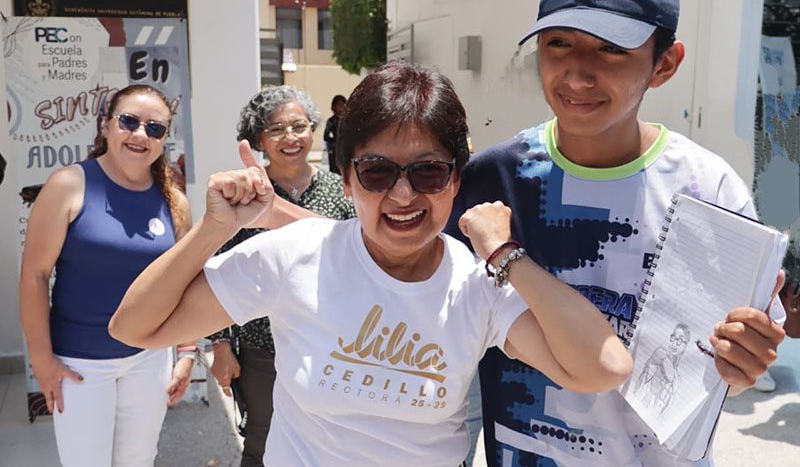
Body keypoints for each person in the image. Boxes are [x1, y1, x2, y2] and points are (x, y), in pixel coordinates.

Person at [109, 62, 633, 466]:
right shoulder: (295, 254)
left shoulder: (477, 283)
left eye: (429, 172)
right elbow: (134, 327)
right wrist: (213, 229)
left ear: (455, 181)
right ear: (346, 180)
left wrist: (505, 254)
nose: (403, 195)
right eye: (377, 172)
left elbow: (603, 367)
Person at [445, 0, 786, 466]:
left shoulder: (708, 191)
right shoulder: (493, 180)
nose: (577, 74)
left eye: (611, 48)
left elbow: (729, 372)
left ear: (665, 63)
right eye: (559, 43)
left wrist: (742, 364)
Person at [18, 84, 197, 467]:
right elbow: (35, 275)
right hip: (79, 363)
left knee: (139, 460)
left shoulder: (174, 200)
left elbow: (185, 281)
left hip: (149, 358)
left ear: (164, 139)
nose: (140, 135)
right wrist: (42, 360)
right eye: (129, 121)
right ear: (105, 125)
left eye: (154, 128)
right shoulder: (69, 184)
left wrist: (186, 351)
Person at [207, 86, 356, 466]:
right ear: (259, 138)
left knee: (329, 441)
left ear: (313, 130)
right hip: (261, 347)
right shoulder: (245, 194)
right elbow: (217, 266)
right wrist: (221, 346)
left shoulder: (341, 191)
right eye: (276, 129)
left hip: (329, 343)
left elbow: (359, 259)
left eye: (299, 126)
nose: (290, 137)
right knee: (262, 439)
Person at [323, 94, 346, 174]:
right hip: (335, 150)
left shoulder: (347, 121)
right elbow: (326, 136)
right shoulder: (331, 121)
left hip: (345, 149)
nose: (341, 107)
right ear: (334, 107)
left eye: (342, 105)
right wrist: (335, 141)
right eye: (338, 105)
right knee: (335, 170)